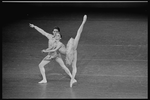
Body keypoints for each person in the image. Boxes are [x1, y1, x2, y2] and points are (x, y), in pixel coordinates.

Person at [45, 15, 87, 87]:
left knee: (78, 34)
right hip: (72, 51)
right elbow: (51, 48)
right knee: (74, 66)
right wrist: (47, 50)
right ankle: (72, 80)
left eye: (58, 35)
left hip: (70, 50)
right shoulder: (56, 43)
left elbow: (54, 49)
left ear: (60, 38)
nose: (56, 36)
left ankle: (83, 22)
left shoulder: (59, 44)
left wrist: (46, 52)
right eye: (56, 35)